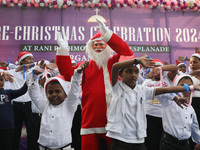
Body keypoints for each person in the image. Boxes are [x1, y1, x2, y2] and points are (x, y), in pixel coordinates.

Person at [56, 18, 133, 150]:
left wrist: (108, 35)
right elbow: (68, 74)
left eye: (101, 44)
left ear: (107, 46)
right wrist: (63, 51)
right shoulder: (85, 65)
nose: (98, 47)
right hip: (91, 119)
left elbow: (127, 53)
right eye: (95, 45)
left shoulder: (115, 61)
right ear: (90, 47)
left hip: (115, 121)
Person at [105, 56, 200, 150]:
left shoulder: (143, 90)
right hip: (119, 137)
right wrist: (137, 60)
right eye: (129, 71)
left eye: (136, 72)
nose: (133, 75)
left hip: (138, 139)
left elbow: (166, 89)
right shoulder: (117, 87)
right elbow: (115, 67)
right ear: (120, 74)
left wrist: (190, 88)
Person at [27, 61, 89, 150]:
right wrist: (34, 76)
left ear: (65, 93)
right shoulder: (44, 105)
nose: (54, 95)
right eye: (50, 92)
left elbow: (74, 91)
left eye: (58, 91)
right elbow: (33, 92)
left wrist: (77, 74)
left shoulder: (69, 107)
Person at [143, 59, 177, 150]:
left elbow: (175, 68)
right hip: (149, 115)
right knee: (151, 141)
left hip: (166, 116)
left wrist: (161, 68)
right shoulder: (147, 82)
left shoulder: (168, 78)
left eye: (157, 68)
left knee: (163, 142)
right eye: (153, 68)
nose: (155, 70)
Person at [159, 74, 200, 150]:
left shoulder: (191, 108)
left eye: (190, 86)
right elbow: (160, 92)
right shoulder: (168, 101)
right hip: (169, 143)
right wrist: (175, 97)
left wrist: (198, 140)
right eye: (183, 86)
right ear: (175, 86)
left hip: (185, 145)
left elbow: (194, 126)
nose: (187, 89)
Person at [5, 51, 34, 150]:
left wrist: (31, 65)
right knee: (15, 132)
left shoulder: (32, 72)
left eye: (32, 59)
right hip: (16, 106)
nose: (31, 60)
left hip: (29, 105)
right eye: (29, 58)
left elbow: (46, 66)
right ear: (22, 60)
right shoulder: (12, 72)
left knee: (31, 132)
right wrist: (5, 72)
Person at [0, 71, 28, 150]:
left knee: (8, 147)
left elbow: (22, 91)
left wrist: (28, 79)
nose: (0, 82)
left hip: (8, 127)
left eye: (2, 80)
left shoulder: (8, 92)